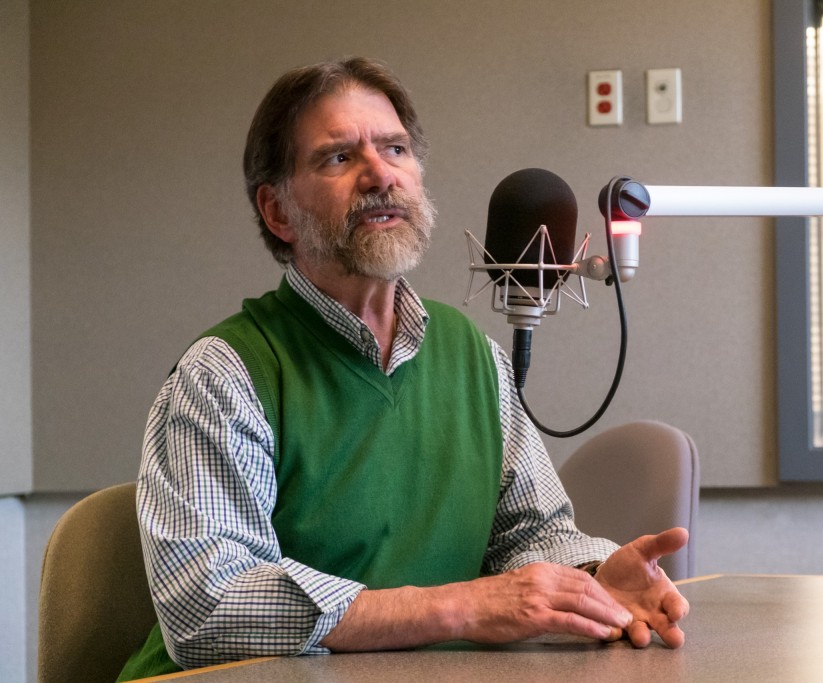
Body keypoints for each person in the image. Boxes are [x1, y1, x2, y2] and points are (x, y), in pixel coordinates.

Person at [117, 57, 689, 680]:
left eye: (394, 148)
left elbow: (528, 535)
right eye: (338, 158)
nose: (379, 175)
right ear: (278, 211)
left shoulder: (472, 355)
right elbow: (209, 606)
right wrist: (454, 609)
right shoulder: (223, 377)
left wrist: (595, 578)